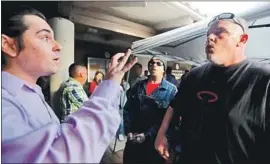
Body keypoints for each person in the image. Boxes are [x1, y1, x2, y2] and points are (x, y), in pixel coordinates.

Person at [1, 6, 137, 163]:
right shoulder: (4, 102)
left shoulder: (33, 92)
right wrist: (110, 86)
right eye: (45, 37)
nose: (59, 46)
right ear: (9, 45)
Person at [155, 13, 270, 164]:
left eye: (220, 33)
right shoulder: (194, 75)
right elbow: (175, 106)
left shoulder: (264, 80)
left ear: (242, 40)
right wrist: (162, 134)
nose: (210, 38)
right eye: (208, 34)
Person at [123, 56, 177, 164]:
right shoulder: (138, 86)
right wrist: (128, 130)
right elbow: (128, 109)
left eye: (158, 63)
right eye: (151, 63)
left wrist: (147, 135)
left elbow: (170, 120)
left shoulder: (171, 90)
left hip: (154, 143)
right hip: (133, 140)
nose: (154, 65)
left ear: (164, 69)